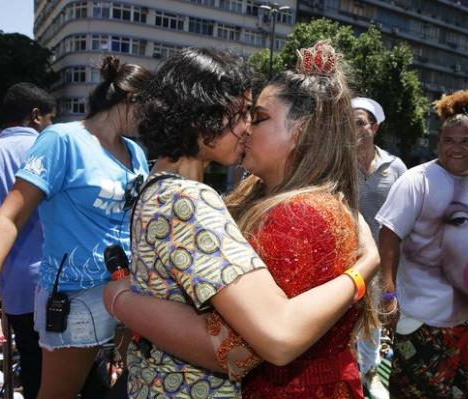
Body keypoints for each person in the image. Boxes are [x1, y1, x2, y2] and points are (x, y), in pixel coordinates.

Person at [103, 43, 380, 398]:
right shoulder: (193, 197)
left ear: (302, 131)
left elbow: (251, 345)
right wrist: (364, 269)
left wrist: (122, 303)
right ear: (204, 115)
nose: (246, 128)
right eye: (242, 114)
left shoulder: (297, 214)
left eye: (258, 117)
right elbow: (255, 341)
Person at [0, 56, 151, 399]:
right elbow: (10, 217)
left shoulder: (136, 152)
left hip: (128, 292)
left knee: (130, 386)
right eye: (151, 107)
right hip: (74, 300)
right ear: (130, 98)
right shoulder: (62, 140)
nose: (154, 118)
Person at [376, 86, 468, 398]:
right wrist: (388, 291)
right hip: (426, 322)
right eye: (449, 140)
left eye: (466, 141)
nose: (457, 148)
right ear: (438, 142)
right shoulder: (416, 180)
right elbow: (389, 234)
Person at [0, 83, 55, 399]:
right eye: (50, 119)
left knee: (34, 371)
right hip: (62, 284)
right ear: (36, 116)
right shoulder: (51, 150)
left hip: (16, 290)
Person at [351, 97, 406, 398]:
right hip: (345, 260)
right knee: (342, 324)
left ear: (374, 127)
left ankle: (370, 376)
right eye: (349, 124)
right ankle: (345, 376)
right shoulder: (338, 162)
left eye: (360, 122)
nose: (355, 130)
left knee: (373, 327)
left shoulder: (394, 166)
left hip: (380, 263)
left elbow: (407, 210)